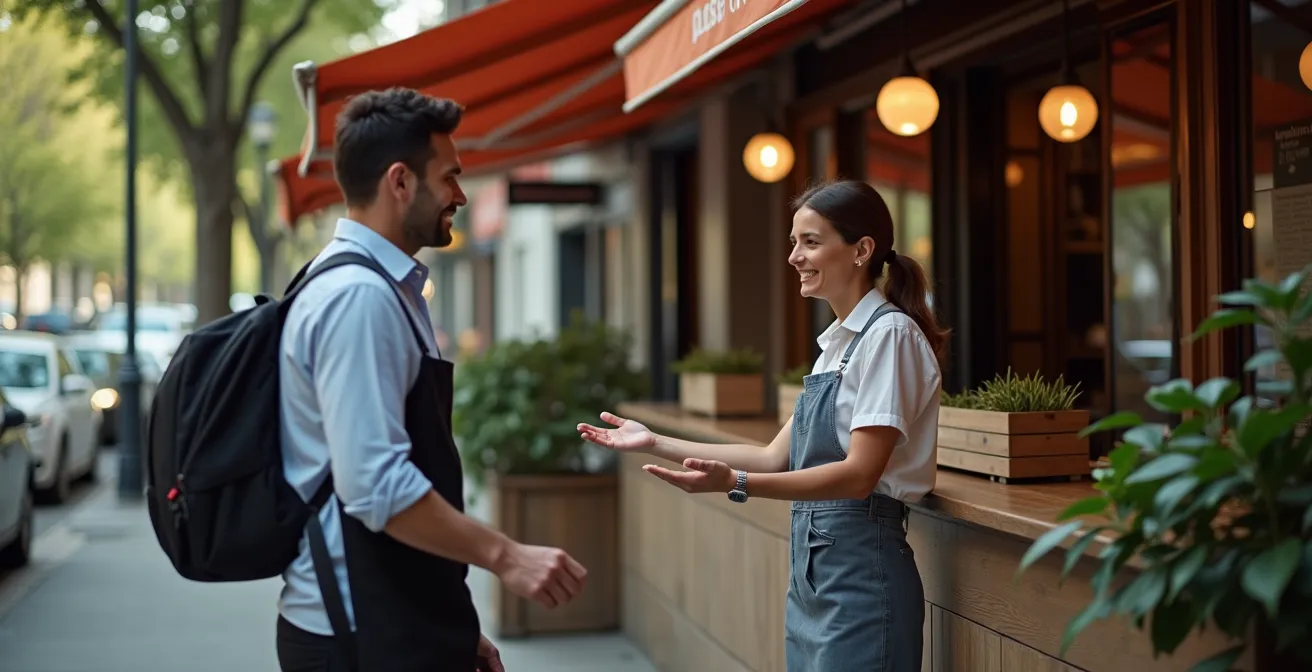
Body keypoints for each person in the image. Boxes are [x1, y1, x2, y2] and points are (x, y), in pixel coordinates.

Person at [578, 179, 948, 671]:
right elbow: (774, 455)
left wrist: (735, 484)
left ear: (861, 250)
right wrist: (653, 440)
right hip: (814, 577)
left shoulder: (890, 336)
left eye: (810, 242)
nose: (794, 256)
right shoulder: (836, 346)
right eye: (794, 241)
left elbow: (861, 474)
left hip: (864, 573)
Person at [277, 87, 588, 672]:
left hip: (388, 615)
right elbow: (375, 485)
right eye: (449, 177)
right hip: (361, 630)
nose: (461, 195)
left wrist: (451, 614)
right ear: (400, 182)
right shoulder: (358, 298)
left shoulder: (379, 287)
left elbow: (410, 466)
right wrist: (507, 556)